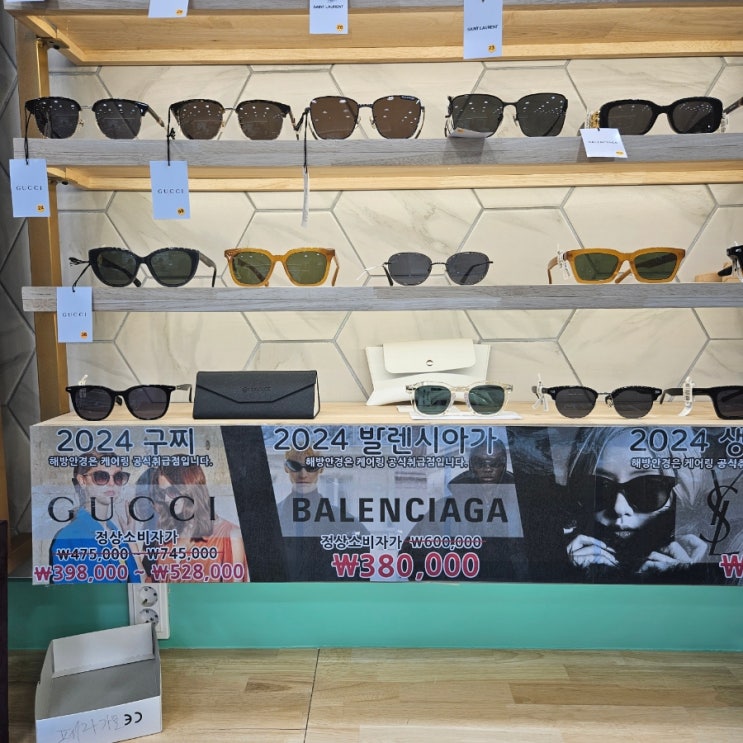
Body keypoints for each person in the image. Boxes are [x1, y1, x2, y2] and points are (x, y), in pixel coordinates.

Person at [562, 428, 708, 582]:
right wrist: (569, 575)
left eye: (646, 489)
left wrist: (688, 580)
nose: (619, 508)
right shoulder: (561, 553)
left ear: (682, 495)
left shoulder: (713, 565)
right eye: (600, 488)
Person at [401, 438, 530, 582]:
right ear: (471, 466)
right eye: (480, 463)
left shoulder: (524, 508)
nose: (488, 468)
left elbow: (541, 555)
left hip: (514, 589)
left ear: (504, 465)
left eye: (495, 463)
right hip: (460, 590)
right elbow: (409, 555)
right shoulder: (444, 508)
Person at [143, 463, 248, 583]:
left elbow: (234, 594)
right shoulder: (166, 538)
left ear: (191, 489)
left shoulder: (229, 537)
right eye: (162, 493)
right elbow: (152, 588)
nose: (166, 499)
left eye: (172, 491)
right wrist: (131, 546)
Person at [276, 448, 367, 581]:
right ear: (286, 468)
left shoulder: (347, 523)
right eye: (295, 466)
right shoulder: (270, 520)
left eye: (311, 466)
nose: (303, 474)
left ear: (321, 468)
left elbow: (362, 572)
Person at [49, 456, 143, 583]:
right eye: (101, 477)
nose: (112, 484)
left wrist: (131, 542)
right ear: (82, 481)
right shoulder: (67, 538)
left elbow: (139, 585)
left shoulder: (117, 535)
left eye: (118, 477)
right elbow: (65, 593)